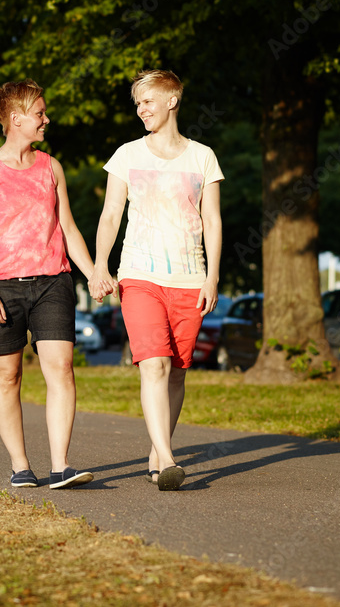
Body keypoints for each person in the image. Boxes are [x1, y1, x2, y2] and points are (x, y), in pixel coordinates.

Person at [0, 79, 110, 489]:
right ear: (16, 119)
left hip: (53, 282)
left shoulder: (51, 167)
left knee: (61, 368)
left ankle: (61, 465)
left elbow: (67, 226)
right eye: (40, 113)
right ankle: (20, 466)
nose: (47, 119)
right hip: (3, 286)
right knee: (7, 376)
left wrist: (93, 272)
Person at [92, 69, 223, 491]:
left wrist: (213, 277)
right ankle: (166, 458)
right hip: (139, 273)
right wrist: (100, 265)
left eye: (147, 101)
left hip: (190, 277)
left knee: (178, 372)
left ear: (172, 100)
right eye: (137, 104)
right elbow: (111, 214)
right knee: (154, 364)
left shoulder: (202, 156)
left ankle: (157, 449)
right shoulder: (127, 154)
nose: (141, 110)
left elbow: (213, 219)